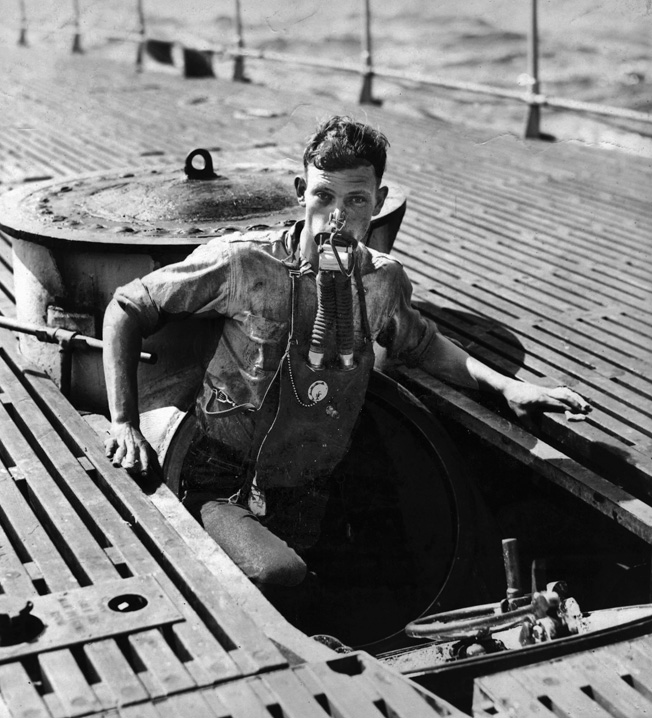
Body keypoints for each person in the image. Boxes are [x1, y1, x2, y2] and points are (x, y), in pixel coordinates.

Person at [103, 115, 590, 624]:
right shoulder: (245, 265)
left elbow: (422, 344)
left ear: (378, 203)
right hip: (221, 482)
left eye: (356, 200)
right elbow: (126, 308)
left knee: (368, 588)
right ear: (300, 192)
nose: (337, 216)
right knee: (278, 575)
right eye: (323, 197)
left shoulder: (382, 281)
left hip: (312, 487)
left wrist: (511, 387)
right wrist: (124, 420)